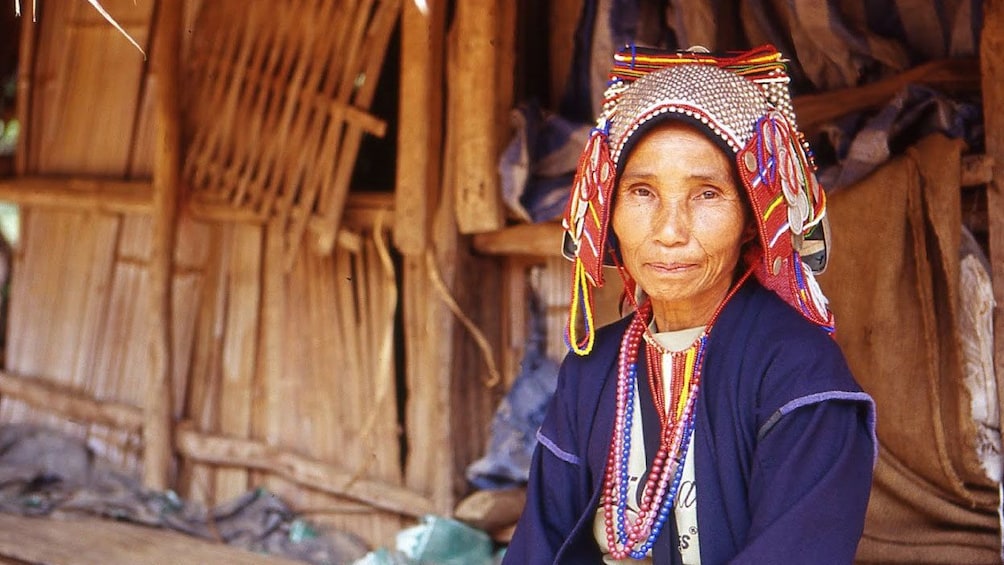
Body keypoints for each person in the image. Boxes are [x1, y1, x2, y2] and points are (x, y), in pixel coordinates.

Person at [502, 45, 876, 564]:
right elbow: (537, 549)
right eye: (642, 192)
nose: (670, 232)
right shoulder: (590, 371)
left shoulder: (800, 376)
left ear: (752, 217)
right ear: (608, 210)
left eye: (705, 194)